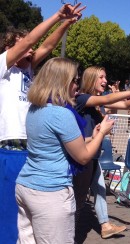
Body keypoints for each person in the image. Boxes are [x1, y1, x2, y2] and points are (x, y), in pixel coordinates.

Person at [0, 3, 85, 243]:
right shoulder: (2, 69)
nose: (30, 50)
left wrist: (67, 24)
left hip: (31, 153)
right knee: (8, 218)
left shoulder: (29, 72)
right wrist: (57, 15)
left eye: (30, 47)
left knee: (28, 222)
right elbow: (28, 44)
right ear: (9, 48)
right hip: (8, 151)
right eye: (21, 45)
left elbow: (47, 45)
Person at [15, 57, 113, 243]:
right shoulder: (62, 114)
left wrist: (93, 135)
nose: (77, 85)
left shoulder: (35, 109)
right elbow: (83, 157)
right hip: (50, 193)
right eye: (75, 80)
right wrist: (102, 134)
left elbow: (57, 142)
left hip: (26, 186)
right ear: (63, 82)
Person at [74, 66, 130, 239]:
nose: (105, 81)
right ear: (90, 79)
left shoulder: (97, 102)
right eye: (101, 77)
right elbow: (110, 98)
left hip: (93, 154)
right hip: (82, 155)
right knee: (78, 199)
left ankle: (104, 225)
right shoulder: (82, 98)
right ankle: (68, 233)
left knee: (100, 190)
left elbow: (124, 104)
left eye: (105, 77)